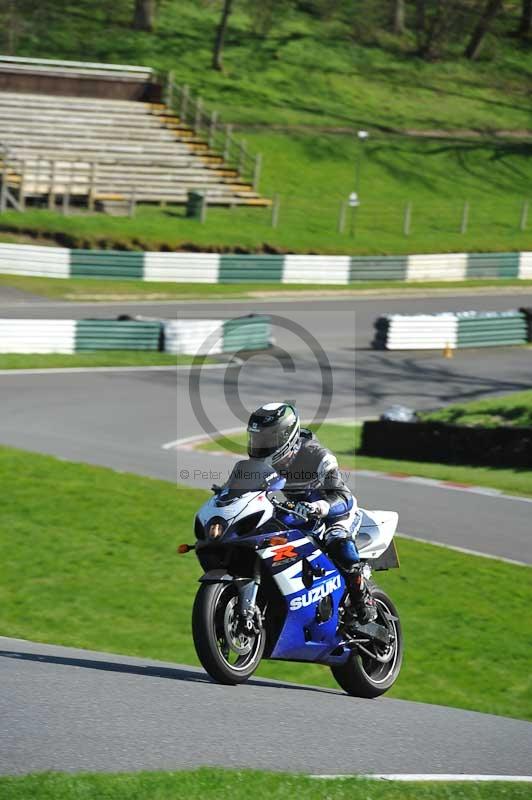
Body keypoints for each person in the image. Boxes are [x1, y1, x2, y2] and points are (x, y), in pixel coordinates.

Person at [247, 402, 377, 624]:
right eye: (257, 439)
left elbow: (343, 496)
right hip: (297, 514)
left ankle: (363, 600)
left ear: (286, 436)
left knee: (336, 539)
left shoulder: (316, 455)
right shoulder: (263, 464)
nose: (261, 445)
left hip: (336, 512)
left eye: (267, 440)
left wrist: (322, 507)